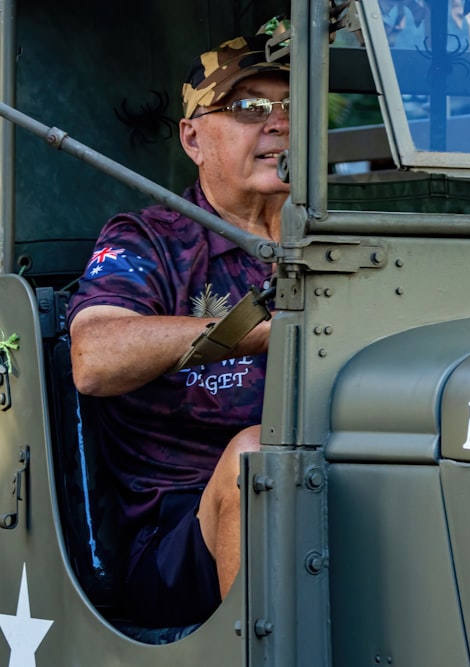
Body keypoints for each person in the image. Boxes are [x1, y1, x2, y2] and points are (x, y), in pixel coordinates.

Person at [67, 32, 289, 627]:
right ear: (193, 136)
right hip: (178, 539)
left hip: (343, 490)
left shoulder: (337, 240)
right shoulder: (150, 240)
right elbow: (95, 357)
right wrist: (268, 328)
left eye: (294, 110)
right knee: (260, 457)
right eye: (250, 108)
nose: (279, 124)